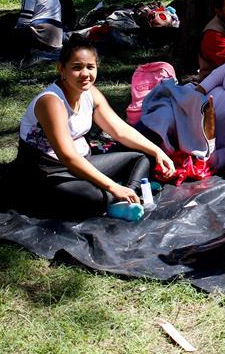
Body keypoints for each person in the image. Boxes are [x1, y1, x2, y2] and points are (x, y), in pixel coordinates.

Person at [15, 35, 175, 221]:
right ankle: (117, 196)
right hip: (49, 173)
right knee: (92, 197)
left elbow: (119, 130)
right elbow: (68, 157)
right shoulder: (51, 102)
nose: (85, 74)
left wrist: (157, 152)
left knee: (141, 157)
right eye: (77, 67)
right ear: (61, 69)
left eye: (90, 67)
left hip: (82, 162)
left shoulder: (90, 92)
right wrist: (112, 186)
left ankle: (127, 197)